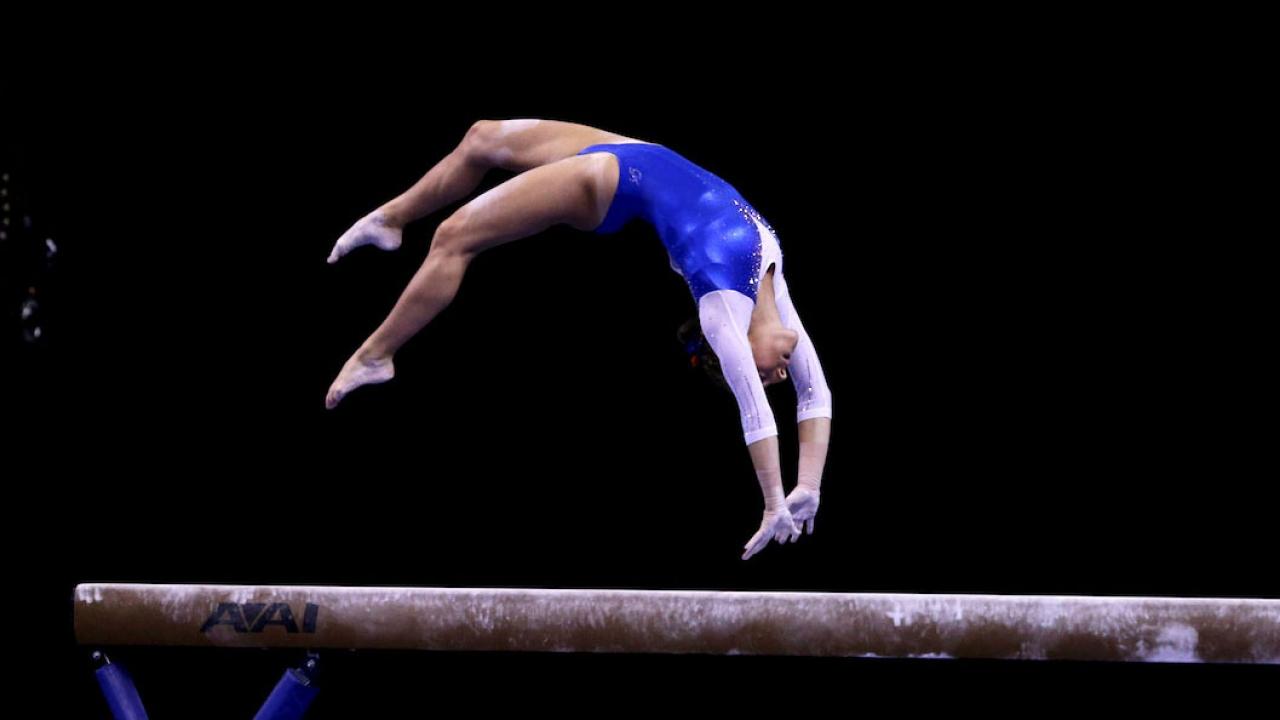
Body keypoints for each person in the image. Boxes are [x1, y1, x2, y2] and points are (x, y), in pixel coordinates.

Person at [325, 120, 832, 560]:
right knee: (480, 137)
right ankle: (392, 219)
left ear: (732, 350)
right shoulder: (775, 292)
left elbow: (754, 412)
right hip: (641, 154)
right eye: (771, 377)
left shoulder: (722, 309)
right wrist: (807, 486)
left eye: (766, 377)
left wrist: (774, 502)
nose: (778, 375)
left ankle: (376, 355)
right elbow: (816, 393)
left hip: (605, 181)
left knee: (453, 236)